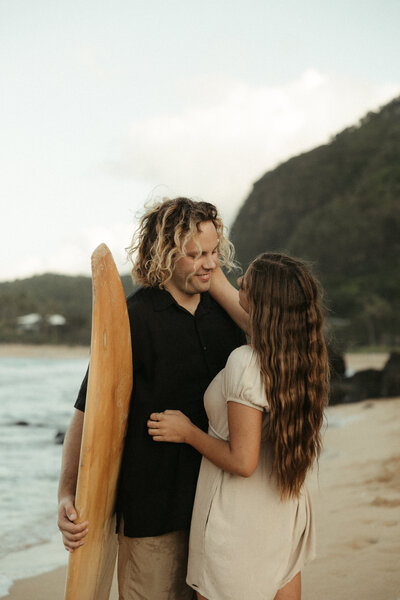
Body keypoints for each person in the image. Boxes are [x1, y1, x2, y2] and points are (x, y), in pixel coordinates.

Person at [57, 197, 246, 600]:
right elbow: (88, 412)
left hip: (219, 508)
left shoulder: (225, 314)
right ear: (164, 254)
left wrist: (220, 285)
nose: (209, 264)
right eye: (195, 255)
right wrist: (67, 494)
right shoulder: (133, 318)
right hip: (153, 514)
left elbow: (278, 340)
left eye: (213, 252)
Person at [148, 253, 330, 600]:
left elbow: (243, 461)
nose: (240, 280)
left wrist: (188, 432)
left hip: (239, 523)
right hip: (281, 512)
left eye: (247, 283)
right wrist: (211, 266)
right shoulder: (303, 357)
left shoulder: (246, 362)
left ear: (263, 305)